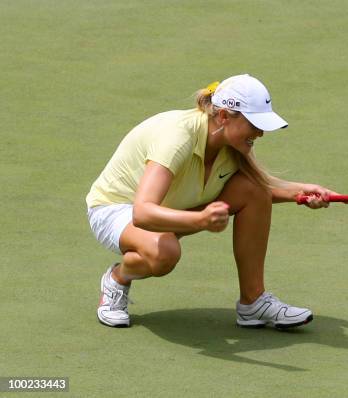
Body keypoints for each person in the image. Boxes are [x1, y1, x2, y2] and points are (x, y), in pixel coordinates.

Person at [86, 74, 335, 329]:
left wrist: (303, 193)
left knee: (255, 192)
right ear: (225, 116)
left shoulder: (230, 142)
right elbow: (142, 213)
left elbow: (263, 186)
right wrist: (201, 220)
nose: (260, 133)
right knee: (165, 253)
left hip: (172, 206)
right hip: (115, 208)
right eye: (254, 124)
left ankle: (253, 302)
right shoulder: (177, 137)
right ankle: (118, 279)